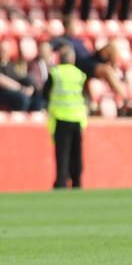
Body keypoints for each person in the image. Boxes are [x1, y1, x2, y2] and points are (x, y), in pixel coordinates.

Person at [43, 46, 88, 189]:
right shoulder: (80, 74)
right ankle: (77, 182)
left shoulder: (55, 73)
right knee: (77, 153)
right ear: (73, 59)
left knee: (62, 153)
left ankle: (61, 182)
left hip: (61, 116)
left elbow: (45, 93)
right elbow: (85, 95)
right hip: (77, 117)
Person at [0, 42, 39, 112]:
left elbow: (20, 78)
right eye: (1, 50)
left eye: (5, 51)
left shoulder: (11, 65)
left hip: (16, 92)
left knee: (38, 97)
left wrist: (30, 88)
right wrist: (21, 89)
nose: (3, 52)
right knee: (21, 98)